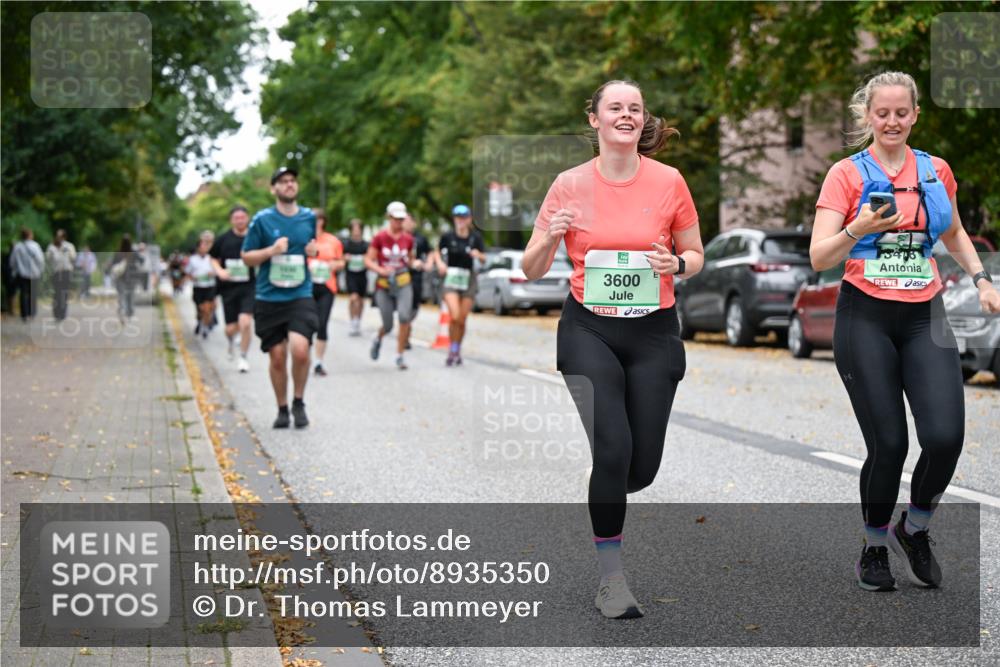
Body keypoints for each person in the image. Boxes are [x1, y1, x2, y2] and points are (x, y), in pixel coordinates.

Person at [810, 71, 1000, 592]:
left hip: (924, 314)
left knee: (945, 437)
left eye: (901, 112)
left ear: (915, 114)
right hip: (864, 315)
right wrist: (858, 229)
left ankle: (913, 528)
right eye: (881, 113)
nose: (891, 121)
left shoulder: (936, 170)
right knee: (889, 444)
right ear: (867, 116)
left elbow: (955, 232)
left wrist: (982, 279)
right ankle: (873, 545)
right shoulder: (846, 175)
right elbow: (819, 255)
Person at [522, 80, 704, 619]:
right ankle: (611, 581)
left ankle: (610, 482)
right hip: (589, 330)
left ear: (641, 121)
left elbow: (695, 253)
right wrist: (550, 237)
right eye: (615, 107)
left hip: (652, 332)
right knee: (613, 448)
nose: (626, 115)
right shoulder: (568, 184)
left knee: (639, 469)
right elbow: (531, 268)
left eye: (634, 108)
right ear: (596, 120)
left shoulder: (670, 182)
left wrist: (679, 265)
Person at [241, 166, 319, 429]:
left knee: (300, 349)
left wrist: (314, 250)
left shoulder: (308, 217)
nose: (289, 185)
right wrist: (271, 250)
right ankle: (282, 408)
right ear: (273, 188)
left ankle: (299, 401)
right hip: (269, 297)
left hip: (300, 293)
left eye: (292, 181)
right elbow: (246, 256)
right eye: (283, 182)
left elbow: (312, 247)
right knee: (276, 356)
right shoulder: (262, 220)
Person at [433, 204, 486, 366]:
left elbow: (484, 259)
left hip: (468, 279)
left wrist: (478, 255)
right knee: (454, 315)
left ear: (469, 219)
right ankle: (451, 348)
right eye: (457, 217)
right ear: (454, 219)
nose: (460, 221)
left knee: (462, 319)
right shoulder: (448, 236)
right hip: (451, 278)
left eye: (464, 217)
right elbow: (436, 251)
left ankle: (456, 348)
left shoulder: (475, 237)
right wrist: (440, 264)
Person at [366, 201, 416, 370]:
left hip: (403, 282)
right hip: (384, 285)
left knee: (404, 317)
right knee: (388, 325)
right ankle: (378, 338)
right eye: (396, 219)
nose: (399, 223)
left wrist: (414, 263)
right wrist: (381, 269)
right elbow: (368, 260)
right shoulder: (380, 237)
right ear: (389, 218)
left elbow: (410, 259)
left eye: (401, 219)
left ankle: (399, 356)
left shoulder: (408, 238)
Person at [210, 206, 255, 372]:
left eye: (243, 217)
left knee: (245, 322)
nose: (240, 220)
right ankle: (231, 341)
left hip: (249, 286)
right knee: (230, 328)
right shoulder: (223, 239)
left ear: (247, 218)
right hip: (228, 288)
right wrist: (220, 271)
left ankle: (243, 356)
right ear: (231, 220)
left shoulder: (254, 237)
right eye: (236, 217)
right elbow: (213, 258)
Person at [310, 208, 345, 376]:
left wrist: (334, 265)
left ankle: (318, 362)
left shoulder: (332, 241)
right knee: (307, 323)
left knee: (322, 323)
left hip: (327, 286)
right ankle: (304, 358)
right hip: (306, 286)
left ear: (324, 221)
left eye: (319, 219)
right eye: (313, 219)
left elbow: (341, 262)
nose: (317, 222)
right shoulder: (303, 238)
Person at [404, 213, 432, 335]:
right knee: (404, 303)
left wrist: (428, 264)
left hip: (416, 275)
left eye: (409, 221)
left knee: (415, 304)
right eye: (404, 220)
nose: (407, 223)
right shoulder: (398, 237)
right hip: (402, 274)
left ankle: (407, 323)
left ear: (414, 223)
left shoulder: (420, 238)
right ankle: (405, 328)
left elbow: (431, 252)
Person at [10, 228, 45, 321]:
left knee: (23, 293)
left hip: (22, 273)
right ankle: (31, 313)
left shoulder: (18, 247)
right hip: (34, 273)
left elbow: (12, 261)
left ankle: (24, 314)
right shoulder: (35, 246)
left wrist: (15, 270)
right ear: (30, 235)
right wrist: (41, 270)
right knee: (32, 293)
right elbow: (40, 260)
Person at [187, 231, 217, 339]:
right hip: (198, 287)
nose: (205, 247)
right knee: (200, 309)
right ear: (198, 247)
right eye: (203, 245)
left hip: (210, 286)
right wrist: (193, 278)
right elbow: (188, 272)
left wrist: (213, 273)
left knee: (208, 308)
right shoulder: (193, 259)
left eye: (207, 245)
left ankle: (205, 326)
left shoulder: (212, 258)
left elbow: (218, 270)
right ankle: (200, 321)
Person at [343, 219, 369, 336]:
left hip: (362, 275)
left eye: (358, 229)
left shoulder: (366, 245)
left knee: (361, 300)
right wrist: (345, 258)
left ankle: (358, 320)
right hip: (350, 275)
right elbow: (340, 257)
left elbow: (371, 258)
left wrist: (366, 259)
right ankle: (352, 321)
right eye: (354, 229)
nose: (356, 232)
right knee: (353, 298)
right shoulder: (346, 244)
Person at [108, 234, 141, 322]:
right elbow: (142, 260)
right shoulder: (134, 252)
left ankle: (122, 311)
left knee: (121, 295)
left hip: (120, 277)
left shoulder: (118, 252)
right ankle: (130, 314)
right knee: (130, 296)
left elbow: (112, 264)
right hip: (131, 277)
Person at [45, 229, 76, 321]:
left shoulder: (69, 246)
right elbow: (48, 259)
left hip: (66, 271)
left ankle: (63, 313)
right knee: (57, 293)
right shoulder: (51, 247)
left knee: (64, 293)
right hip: (56, 272)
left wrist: (67, 251)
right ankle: (56, 313)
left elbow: (73, 257)